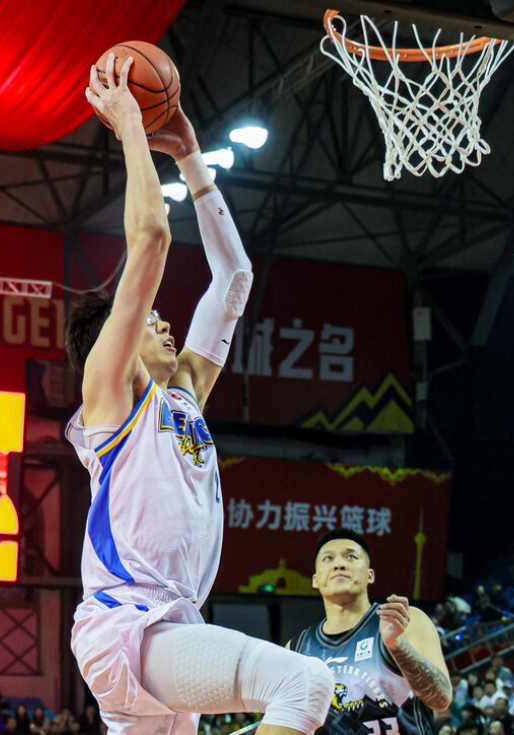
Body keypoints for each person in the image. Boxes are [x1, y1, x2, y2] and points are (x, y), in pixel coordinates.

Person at [66, 53, 333, 735]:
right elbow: (151, 237)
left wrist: (190, 156)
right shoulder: (110, 393)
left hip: (171, 627)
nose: (164, 323)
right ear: (116, 341)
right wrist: (130, 125)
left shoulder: (182, 394)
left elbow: (234, 278)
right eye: (151, 319)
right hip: (129, 625)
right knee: (302, 681)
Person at [287, 529, 452, 735]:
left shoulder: (405, 620)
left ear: (370, 575)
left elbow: (441, 700)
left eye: (350, 556)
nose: (339, 564)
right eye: (328, 558)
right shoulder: (298, 648)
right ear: (315, 580)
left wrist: (397, 645)